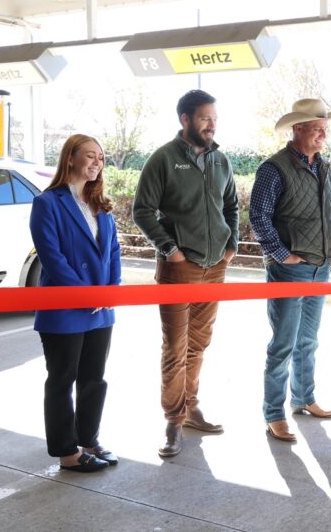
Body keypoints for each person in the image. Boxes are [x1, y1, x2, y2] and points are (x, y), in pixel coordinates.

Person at [133, 90, 239, 457]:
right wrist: (171, 250)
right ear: (185, 119)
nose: (211, 124)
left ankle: (190, 408)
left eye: (214, 118)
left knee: (199, 344)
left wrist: (232, 244)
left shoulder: (220, 161)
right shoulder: (163, 159)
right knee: (175, 348)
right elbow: (142, 211)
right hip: (180, 268)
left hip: (215, 268)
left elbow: (231, 205)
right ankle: (173, 421)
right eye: (205, 118)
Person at [250, 98, 331, 443]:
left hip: (319, 268)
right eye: (316, 126)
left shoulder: (325, 167)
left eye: (324, 127)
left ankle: (304, 399)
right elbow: (258, 217)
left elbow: (325, 216)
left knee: (308, 340)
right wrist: (279, 254)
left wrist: (328, 253)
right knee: (284, 343)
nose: (322, 132)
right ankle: (274, 413)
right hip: (290, 270)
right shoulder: (272, 169)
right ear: (298, 129)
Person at [29, 134, 121, 473]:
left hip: (101, 308)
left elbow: (113, 253)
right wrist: (86, 294)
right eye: (89, 156)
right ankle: (67, 452)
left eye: (100, 157)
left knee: (94, 378)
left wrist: (109, 292)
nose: (96, 162)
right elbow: (52, 258)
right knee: (62, 379)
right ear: (70, 159)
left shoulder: (101, 204)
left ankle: (89, 441)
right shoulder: (48, 203)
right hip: (66, 308)